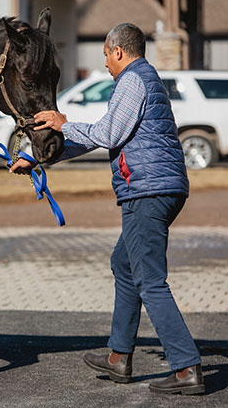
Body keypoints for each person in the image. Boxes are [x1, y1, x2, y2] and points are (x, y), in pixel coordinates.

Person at [11, 22, 204, 395]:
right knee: (125, 264)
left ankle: (186, 369)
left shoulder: (134, 79)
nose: (105, 64)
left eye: (105, 56)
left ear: (118, 51)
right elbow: (101, 135)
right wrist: (38, 159)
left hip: (147, 191)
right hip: (154, 188)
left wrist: (64, 123)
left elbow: (108, 134)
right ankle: (119, 358)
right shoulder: (139, 80)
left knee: (150, 280)